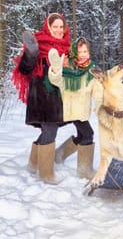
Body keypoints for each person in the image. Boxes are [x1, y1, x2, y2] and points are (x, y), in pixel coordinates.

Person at [11, 13, 71, 184]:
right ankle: (46, 174)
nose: (59, 30)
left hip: (58, 97)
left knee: (50, 130)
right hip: (42, 96)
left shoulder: (67, 48)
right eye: (55, 27)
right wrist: (31, 53)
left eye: (61, 27)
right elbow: (24, 69)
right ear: (48, 27)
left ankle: (33, 164)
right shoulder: (40, 44)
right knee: (51, 130)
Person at [47, 37, 103, 180]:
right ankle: (84, 170)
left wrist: (101, 107)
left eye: (85, 51)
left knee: (83, 135)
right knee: (88, 134)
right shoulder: (68, 68)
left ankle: (59, 154)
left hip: (82, 110)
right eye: (80, 51)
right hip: (69, 109)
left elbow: (97, 92)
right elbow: (56, 81)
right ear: (74, 53)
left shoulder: (92, 70)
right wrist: (55, 70)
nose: (83, 54)